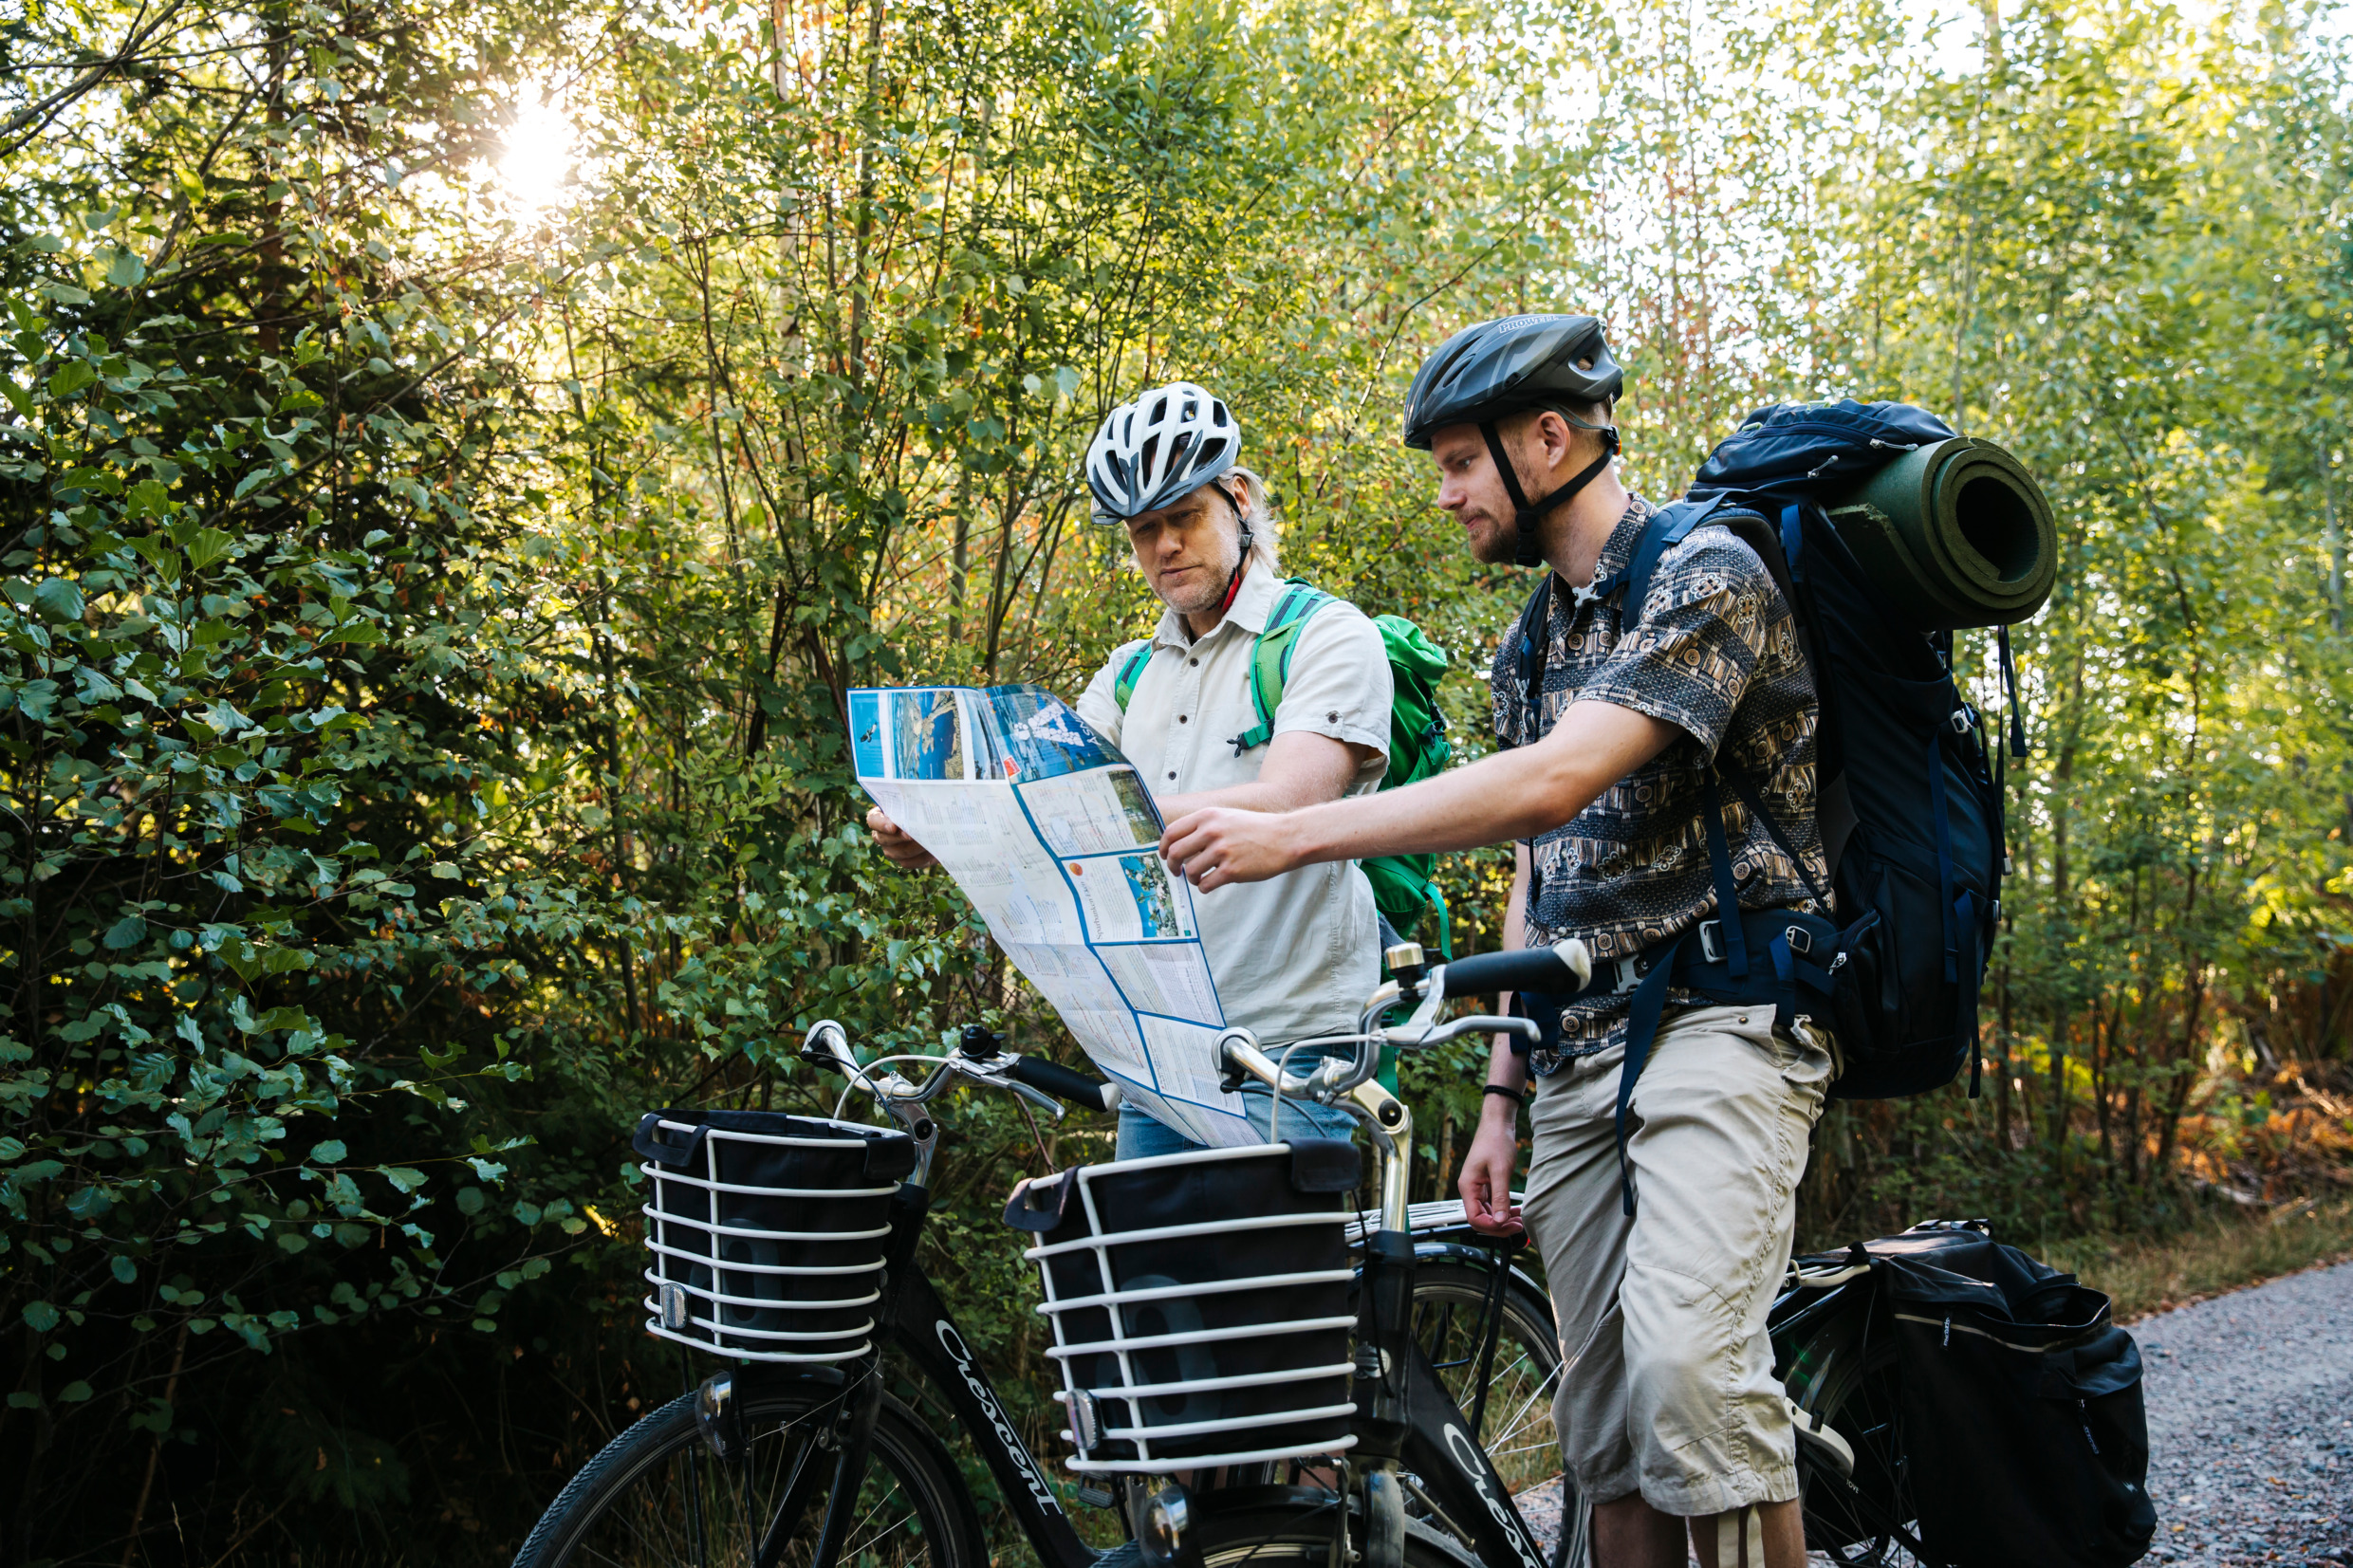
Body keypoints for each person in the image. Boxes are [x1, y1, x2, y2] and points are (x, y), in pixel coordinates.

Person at [1152, 317, 1835, 1568]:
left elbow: (1553, 785)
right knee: (1608, 1431)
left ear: (1549, 440)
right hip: (1576, 1048)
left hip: (1724, 1020)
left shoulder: (1709, 572)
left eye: (1462, 462)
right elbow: (1542, 873)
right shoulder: (1538, 637)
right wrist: (1502, 1097)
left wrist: (1301, 835)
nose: (1451, 495)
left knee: (1692, 1380)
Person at [866, 379, 1397, 1158]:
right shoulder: (1127, 674)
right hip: (1166, 1058)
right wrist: (941, 828)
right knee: (1143, 1280)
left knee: (1270, 1283)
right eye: (1144, 530)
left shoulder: (1324, 638)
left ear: (1239, 500)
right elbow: (1038, 806)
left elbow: (1285, 805)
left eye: (1185, 517)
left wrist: (1069, 816)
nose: (1165, 547)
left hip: (1291, 1056)